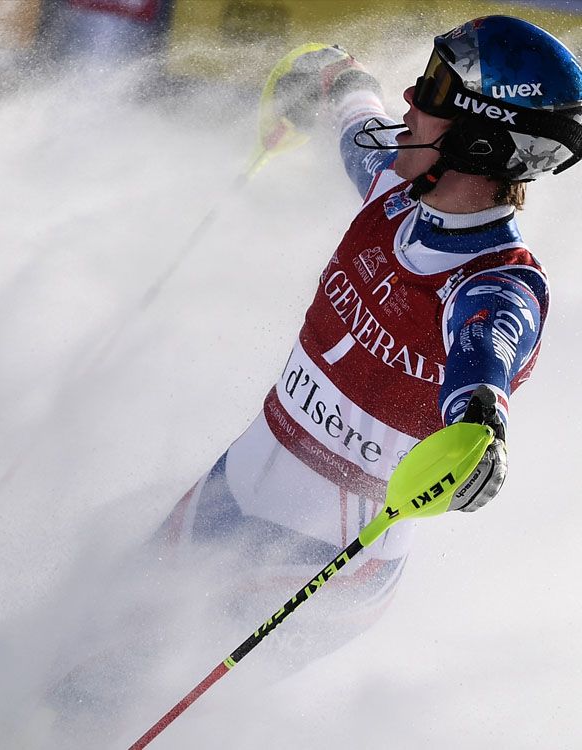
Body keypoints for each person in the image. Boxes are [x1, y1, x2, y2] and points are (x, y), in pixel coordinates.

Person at [156, 16, 582, 637]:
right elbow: (355, 116)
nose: (411, 98)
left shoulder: (495, 283)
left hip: (316, 566)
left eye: (436, 89)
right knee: (65, 662)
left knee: (101, 701)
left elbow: (486, 359)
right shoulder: (395, 190)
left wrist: (482, 422)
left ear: (480, 141)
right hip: (229, 492)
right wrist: (337, 77)